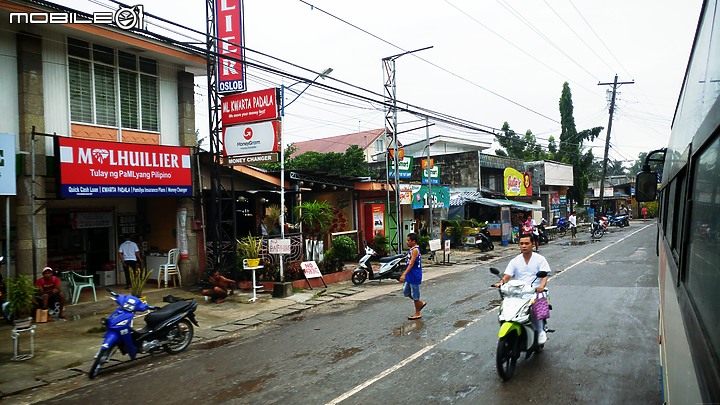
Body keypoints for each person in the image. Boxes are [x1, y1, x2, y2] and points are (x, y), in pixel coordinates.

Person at [493, 235, 550, 344]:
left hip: (535, 291)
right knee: (505, 304)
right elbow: (507, 276)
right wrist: (501, 283)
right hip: (518, 291)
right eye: (521, 243)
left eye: (526, 243)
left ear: (532, 244)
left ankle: (540, 330)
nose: (524, 246)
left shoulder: (540, 259)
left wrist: (541, 286)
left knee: (535, 306)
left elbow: (544, 277)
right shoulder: (515, 261)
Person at [399, 232, 426, 320]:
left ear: (414, 241)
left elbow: (411, 264)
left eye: (409, 240)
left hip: (414, 274)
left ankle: (417, 312)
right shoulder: (412, 249)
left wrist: (404, 274)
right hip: (410, 274)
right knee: (406, 291)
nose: (407, 242)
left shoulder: (415, 250)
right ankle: (420, 303)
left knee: (415, 294)